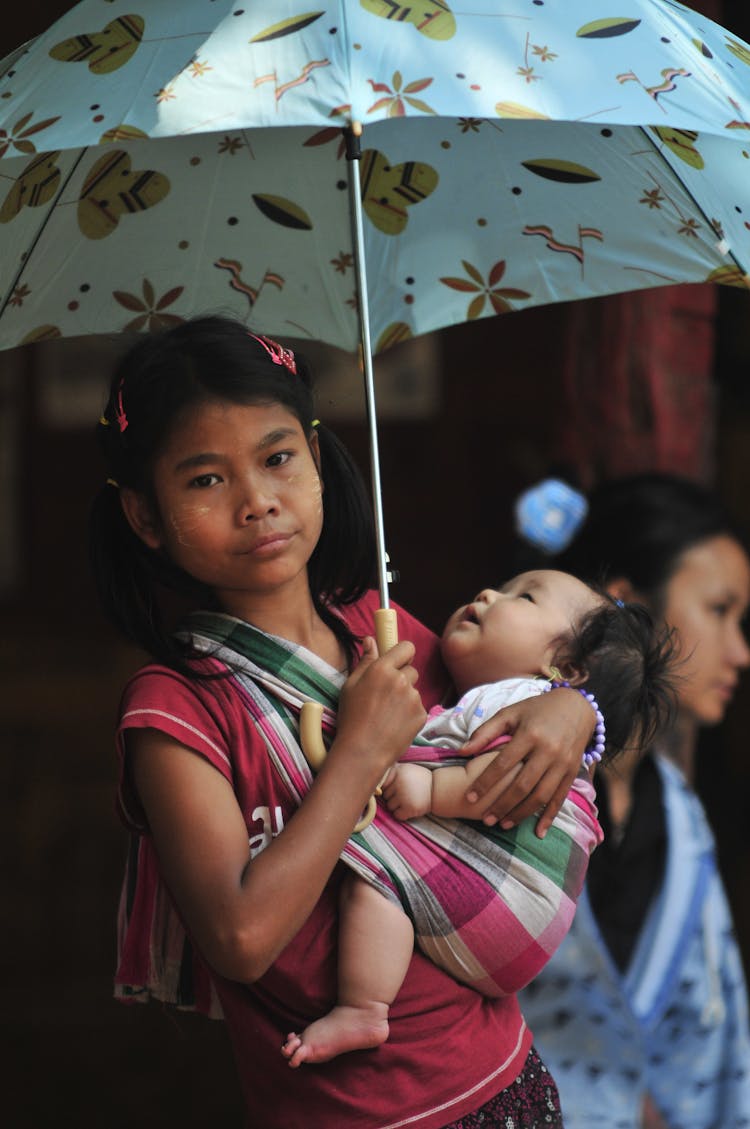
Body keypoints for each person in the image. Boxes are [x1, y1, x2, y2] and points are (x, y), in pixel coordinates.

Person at [90, 316, 601, 1129]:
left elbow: (534, 692)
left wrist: (578, 705)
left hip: (506, 1083)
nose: (258, 501)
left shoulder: (385, 627)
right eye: (204, 480)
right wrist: (358, 752)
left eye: (277, 458)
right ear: (146, 516)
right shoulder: (176, 708)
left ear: (319, 458)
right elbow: (242, 935)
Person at [282, 567, 676, 1067]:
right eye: (504, 587)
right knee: (383, 889)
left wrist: (430, 787)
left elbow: (504, 780)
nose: (488, 592)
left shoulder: (526, 703)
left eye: (525, 598)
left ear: (567, 668)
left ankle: (364, 1006)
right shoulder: (482, 701)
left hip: (514, 897)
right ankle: (364, 1007)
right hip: (510, 937)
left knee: (377, 882)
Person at [516, 473, 750, 1129]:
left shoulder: (680, 815)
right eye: (719, 609)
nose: (741, 651)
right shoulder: (512, 780)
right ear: (626, 611)